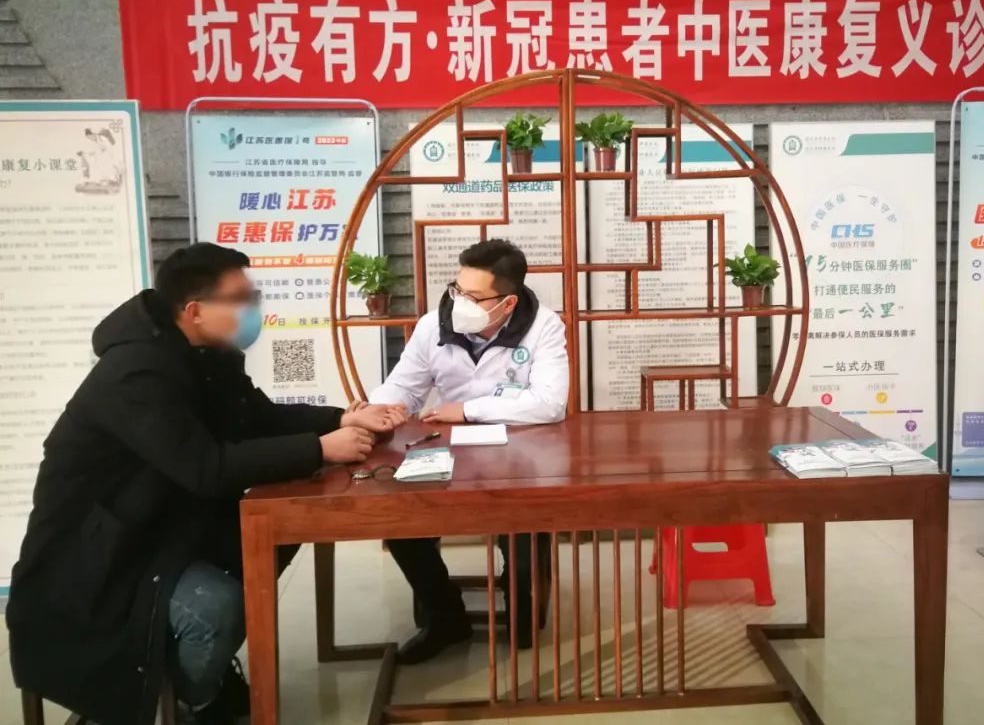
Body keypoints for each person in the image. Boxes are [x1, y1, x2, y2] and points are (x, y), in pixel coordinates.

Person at [6, 243, 406, 725]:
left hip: (162, 524)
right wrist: (320, 449)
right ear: (195, 310)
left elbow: (257, 417)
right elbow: (204, 467)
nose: (253, 309)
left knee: (280, 533)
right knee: (217, 607)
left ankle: (199, 688)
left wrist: (343, 418)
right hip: (100, 556)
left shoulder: (206, 355)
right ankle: (180, 703)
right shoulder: (134, 373)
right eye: (241, 299)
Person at [368, 238, 569, 664]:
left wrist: (467, 410)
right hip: (448, 452)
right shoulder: (432, 325)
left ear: (508, 303)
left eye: (474, 297)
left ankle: (519, 597)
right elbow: (404, 385)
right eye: (457, 290)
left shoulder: (543, 326)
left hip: (518, 455)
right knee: (401, 524)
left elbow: (550, 403)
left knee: (522, 542)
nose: (460, 302)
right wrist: (380, 408)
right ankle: (445, 617)